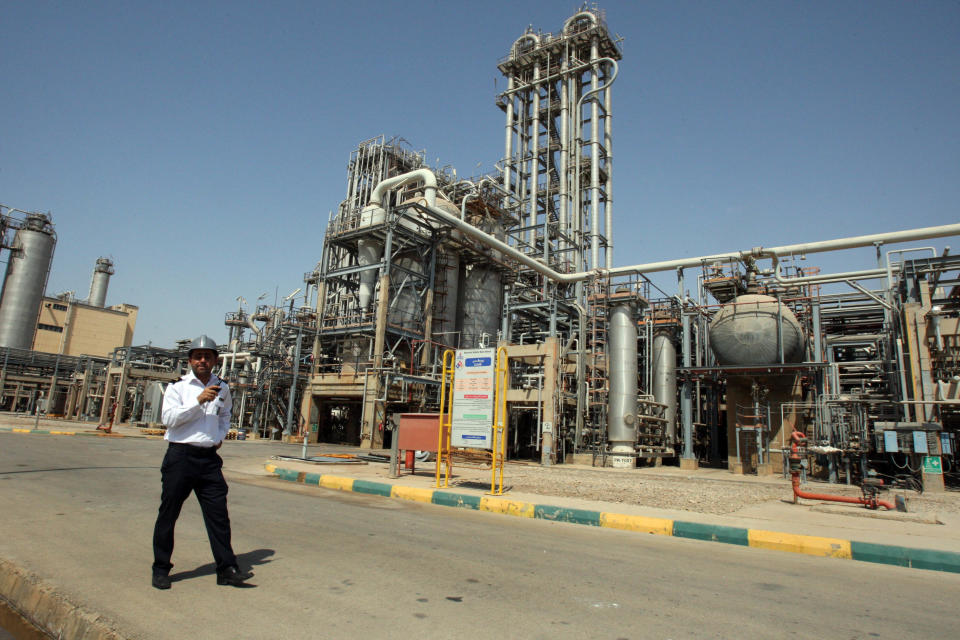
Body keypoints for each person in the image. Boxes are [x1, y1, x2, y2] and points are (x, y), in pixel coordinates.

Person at [151, 335, 252, 589]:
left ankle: (226, 568)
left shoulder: (223, 387)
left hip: (208, 460)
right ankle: (161, 569)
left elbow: (226, 415)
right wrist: (199, 401)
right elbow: (169, 420)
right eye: (198, 356)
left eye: (208, 356)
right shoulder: (178, 387)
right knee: (169, 514)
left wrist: (218, 437)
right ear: (190, 360)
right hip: (180, 457)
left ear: (216, 360)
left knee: (219, 516)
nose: (203, 361)